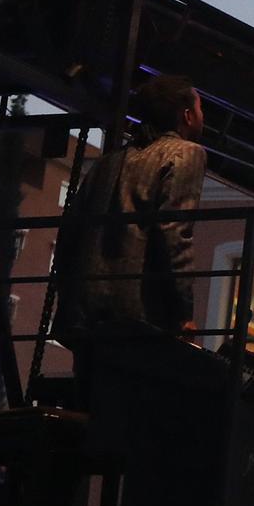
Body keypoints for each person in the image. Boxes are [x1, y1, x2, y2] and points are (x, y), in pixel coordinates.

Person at [60, 73, 208, 345]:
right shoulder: (187, 153)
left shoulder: (107, 163)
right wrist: (183, 313)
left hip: (83, 315)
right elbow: (174, 234)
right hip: (139, 317)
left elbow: (69, 232)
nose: (203, 116)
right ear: (187, 116)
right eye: (200, 109)